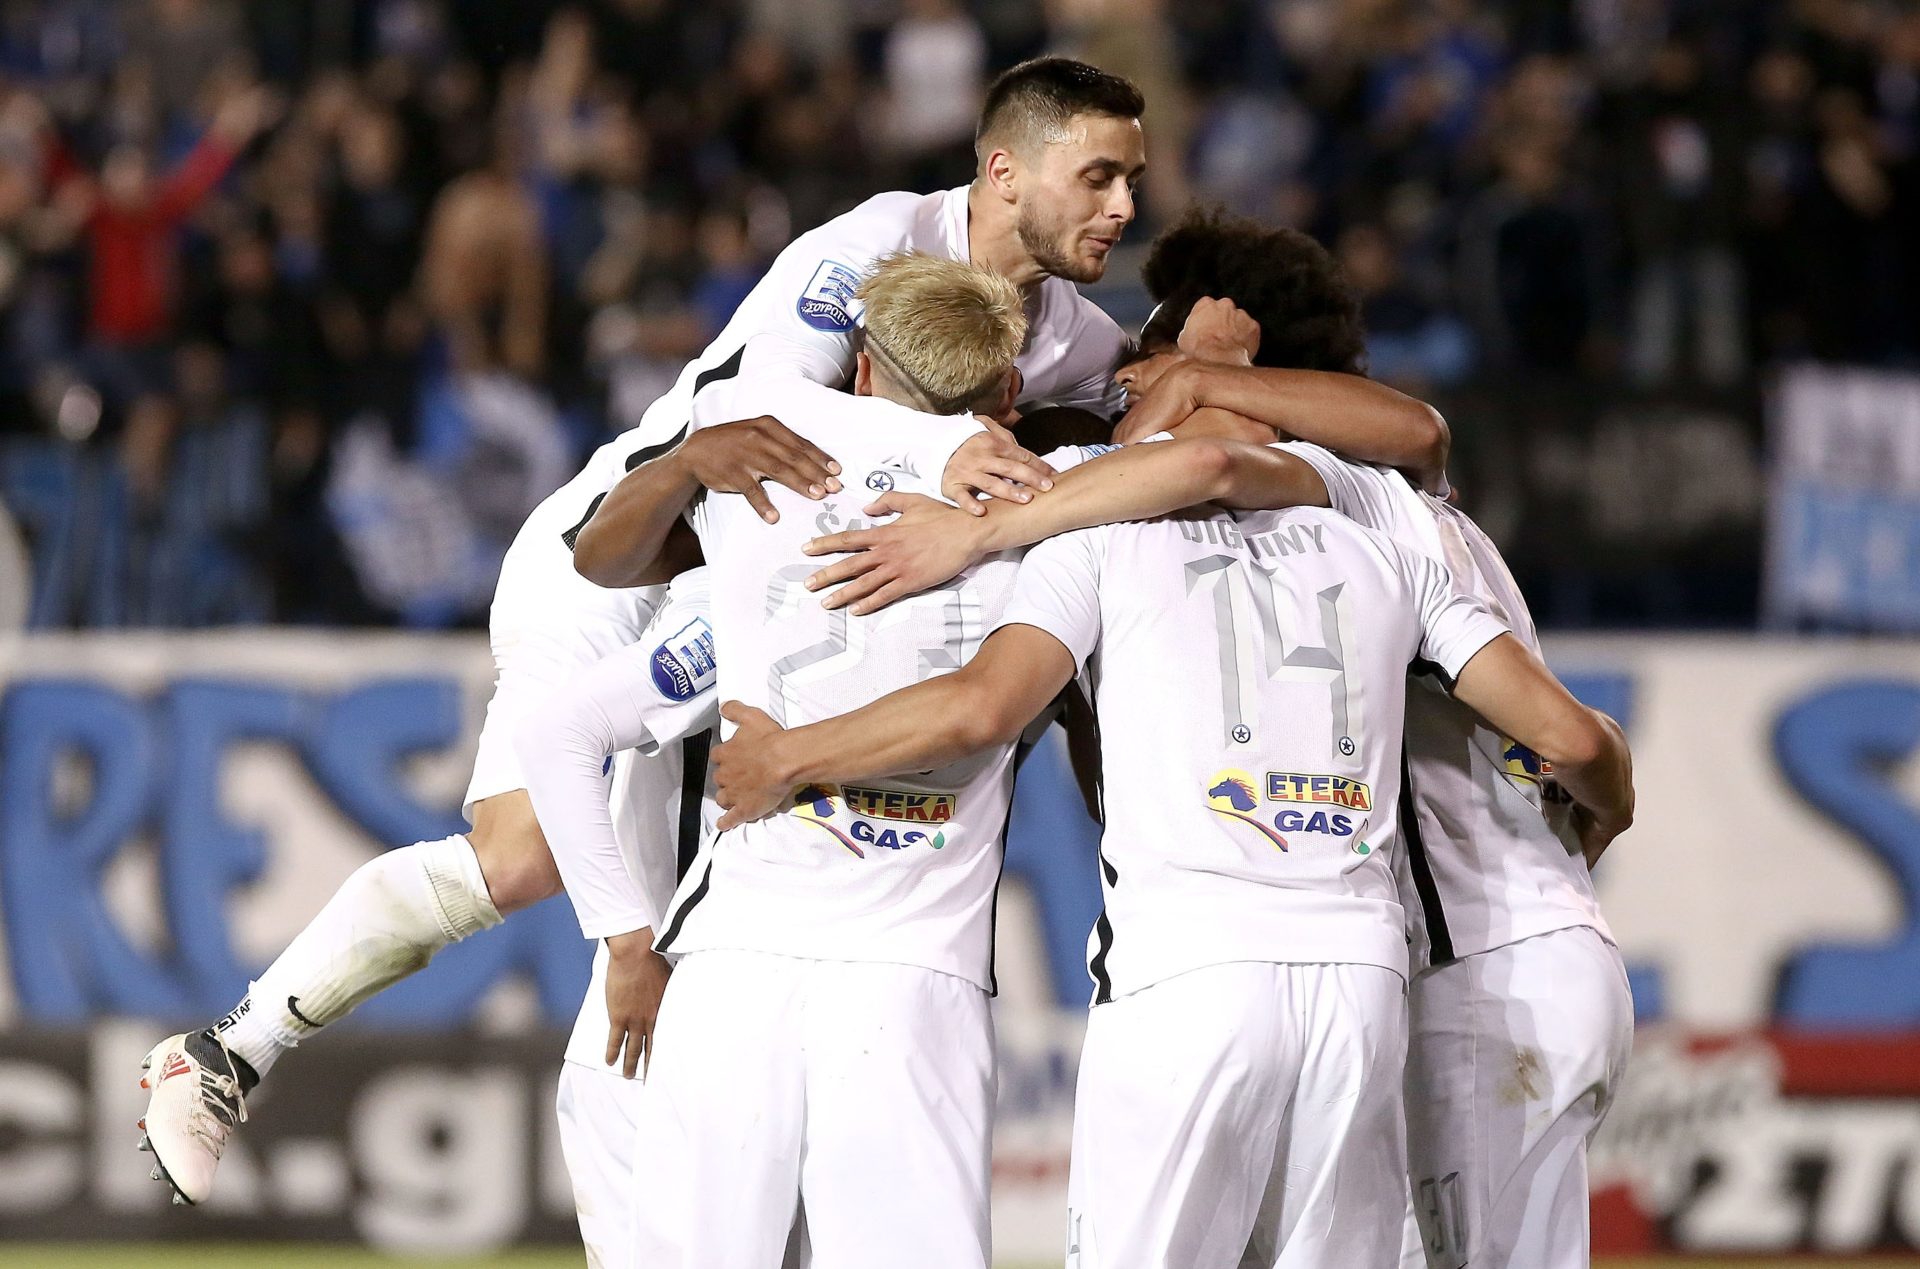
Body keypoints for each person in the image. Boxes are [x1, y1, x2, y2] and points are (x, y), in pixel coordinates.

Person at [132, 55, 1140, 1213]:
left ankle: (262, 1063)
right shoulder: (873, 245)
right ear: (1006, 172)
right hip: (631, 553)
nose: (1123, 206)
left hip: (778, 594)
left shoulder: (1074, 338)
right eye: (1098, 177)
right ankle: (231, 1052)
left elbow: (1160, 422)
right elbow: (747, 414)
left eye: (1133, 179)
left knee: (654, 908)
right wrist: (946, 452)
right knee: (560, 872)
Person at [705, 435, 1632, 1269]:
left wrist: (788, 755)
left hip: (1188, 972)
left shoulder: (1095, 539)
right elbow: (1575, 738)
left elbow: (981, 707)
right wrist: (1605, 813)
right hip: (1359, 980)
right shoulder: (1392, 554)